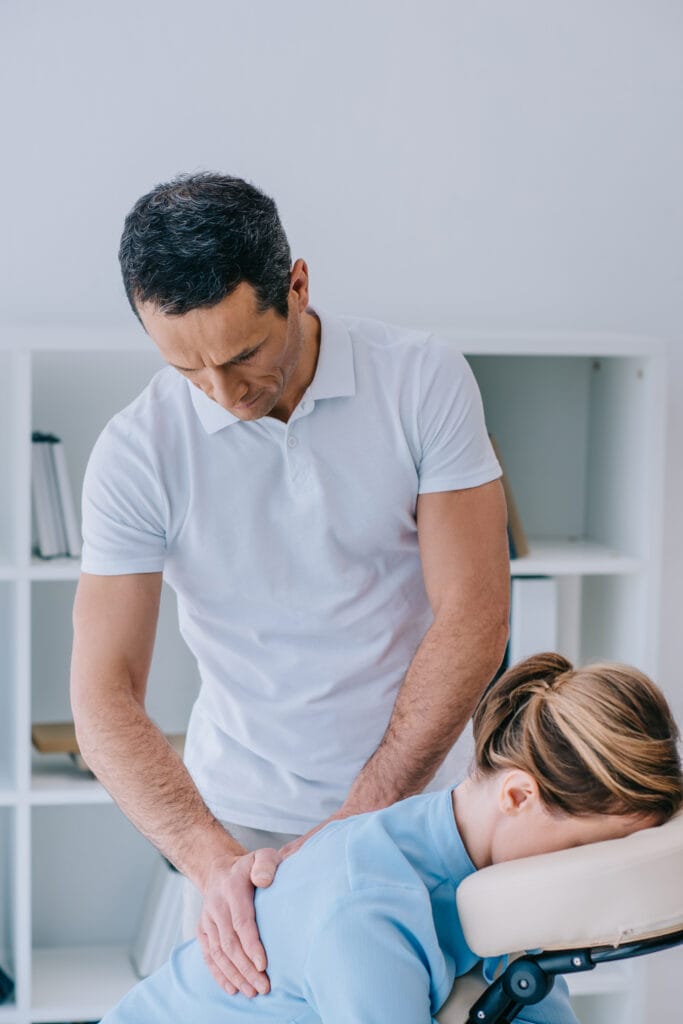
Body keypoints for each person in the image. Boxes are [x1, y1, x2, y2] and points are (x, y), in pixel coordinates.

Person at [70, 173, 511, 996]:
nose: (225, 396)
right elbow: (101, 698)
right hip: (238, 826)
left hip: (419, 806)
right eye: (188, 369)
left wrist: (351, 833)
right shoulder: (136, 452)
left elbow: (475, 615)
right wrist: (213, 863)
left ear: (297, 287)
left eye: (243, 356)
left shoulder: (419, 380)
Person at [100, 652, 682, 1024]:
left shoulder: (492, 876)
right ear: (518, 797)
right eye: (588, 851)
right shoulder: (368, 909)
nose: (588, 873)